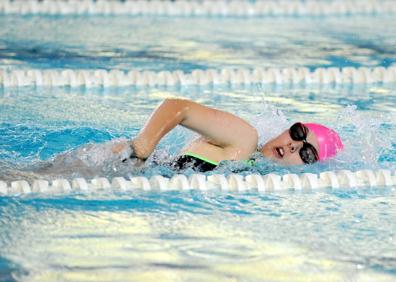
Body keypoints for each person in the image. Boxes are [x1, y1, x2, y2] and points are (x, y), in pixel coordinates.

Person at [111, 98, 344, 172]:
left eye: (307, 153)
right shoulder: (245, 139)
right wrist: (140, 150)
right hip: (110, 163)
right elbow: (177, 107)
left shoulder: (253, 170)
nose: (294, 145)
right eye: (297, 133)